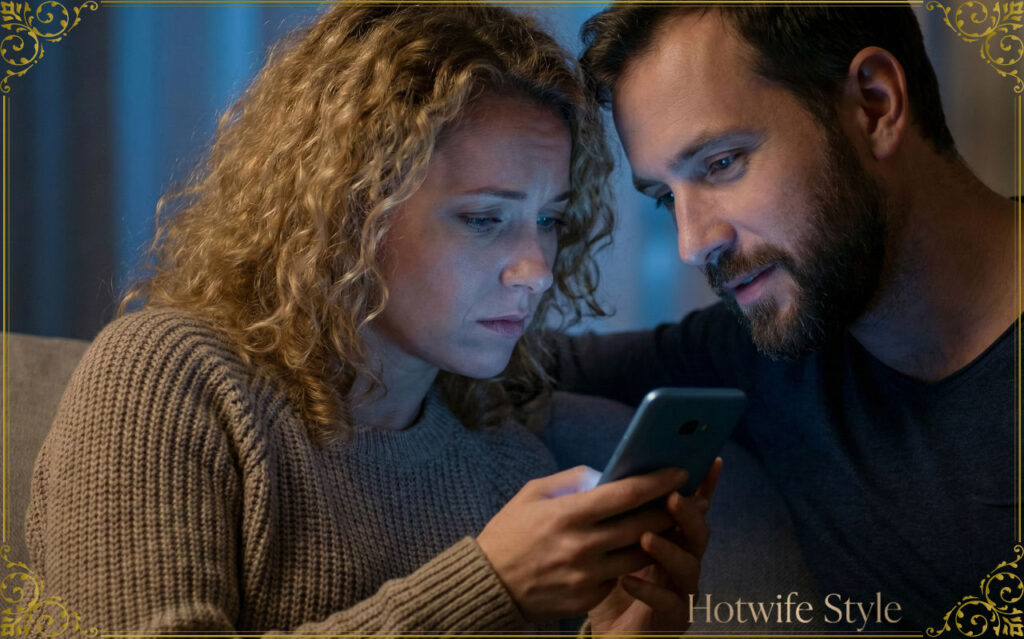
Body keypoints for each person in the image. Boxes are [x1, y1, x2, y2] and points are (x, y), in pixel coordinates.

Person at [25, 5, 718, 634]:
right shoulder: (168, 378)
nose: (536, 268)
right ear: (348, 213)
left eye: (551, 220)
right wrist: (484, 585)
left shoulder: (505, 462)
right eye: (483, 219)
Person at [549, 5, 1017, 631]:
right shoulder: (771, 343)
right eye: (665, 198)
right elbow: (511, 365)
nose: (692, 244)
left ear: (875, 105)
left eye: (721, 163)